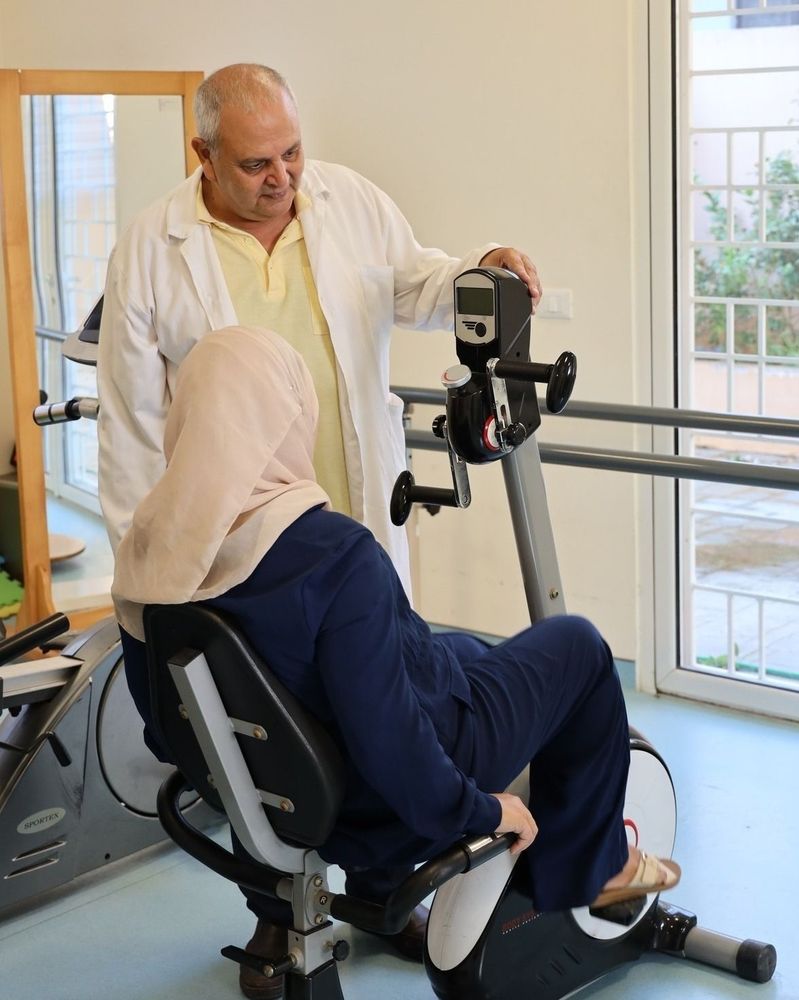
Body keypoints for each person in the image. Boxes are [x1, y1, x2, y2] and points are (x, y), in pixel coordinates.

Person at [112, 327, 680, 1000]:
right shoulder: (332, 553)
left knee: (451, 652)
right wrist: (484, 811)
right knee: (579, 648)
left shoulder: (152, 550)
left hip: (265, 791)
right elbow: (394, 750)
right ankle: (599, 867)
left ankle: (301, 912)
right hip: (382, 794)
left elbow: (164, 729)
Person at [97, 62, 542, 601]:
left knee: (371, 665)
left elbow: (419, 283)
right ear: (205, 156)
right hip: (239, 544)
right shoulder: (149, 248)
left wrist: (483, 266)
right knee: (262, 676)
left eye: (292, 153)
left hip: (357, 512)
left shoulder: (350, 200)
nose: (281, 178)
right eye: (256, 163)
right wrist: (147, 585)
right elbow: (131, 429)